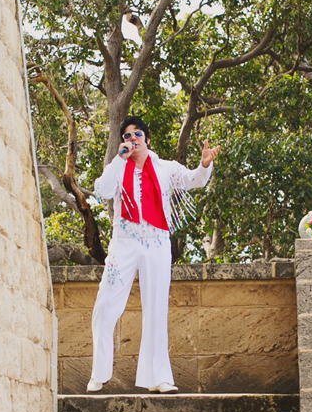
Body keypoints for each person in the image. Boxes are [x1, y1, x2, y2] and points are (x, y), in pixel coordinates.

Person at [87, 115, 220, 393]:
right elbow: (102, 190)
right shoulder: (118, 167)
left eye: (137, 134)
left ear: (147, 139)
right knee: (105, 304)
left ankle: (158, 377)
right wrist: (119, 159)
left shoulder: (165, 168)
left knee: (157, 309)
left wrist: (205, 164)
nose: (132, 139)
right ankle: (99, 373)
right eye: (127, 135)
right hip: (124, 243)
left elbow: (194, 180)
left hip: (157, 242)